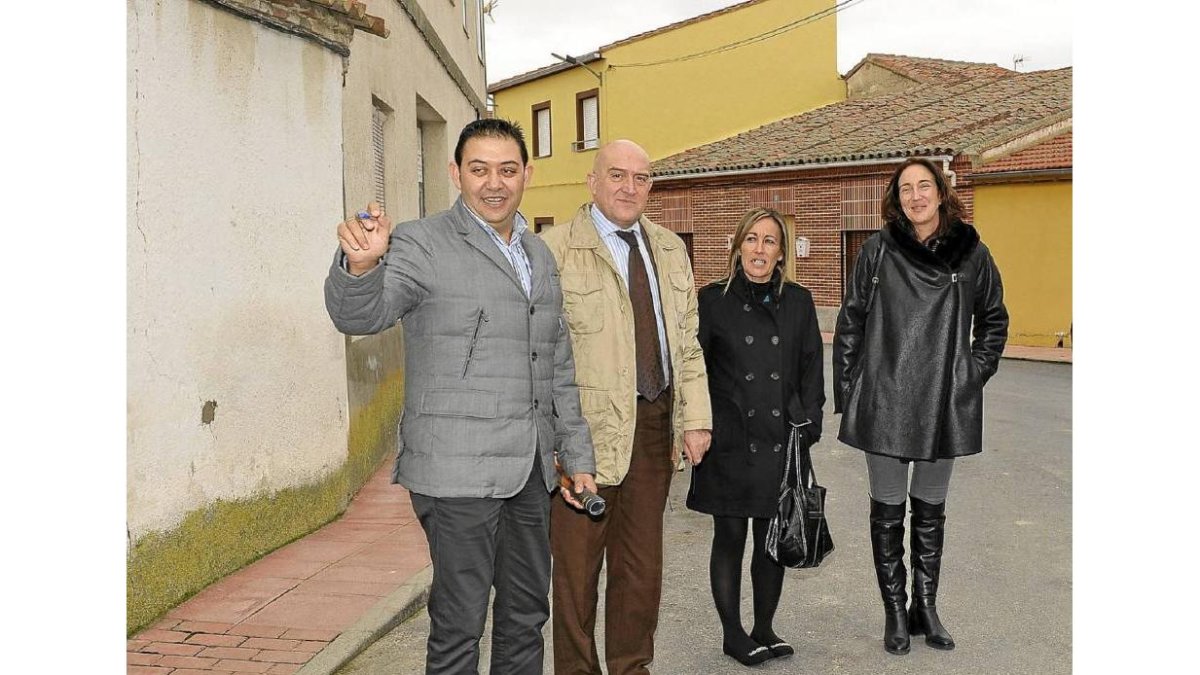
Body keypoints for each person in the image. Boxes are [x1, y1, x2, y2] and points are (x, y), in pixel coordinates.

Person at [324, 118, 598, 675]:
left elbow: (557, 365)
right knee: (458, 624)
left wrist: (577, 456)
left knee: (526, 616)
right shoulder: (421, 243)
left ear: (527, 175)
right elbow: (360, 314)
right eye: (479, 170)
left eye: (507, 169)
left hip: (528, 472)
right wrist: (361, 265)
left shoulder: (539, 256)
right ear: (455, 174)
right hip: (455, 476)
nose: (493, 183)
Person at [540, 139, 712, 675]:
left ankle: (632, 667)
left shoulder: (668, 249)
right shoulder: (554, 249)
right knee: (576, 573)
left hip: (653, 425)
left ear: (650, 187)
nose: (628, 187)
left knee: (641, 571)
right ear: (592, 182)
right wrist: (554, 444)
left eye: (640, 178)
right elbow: (538, 353)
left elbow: (686, 342)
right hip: (581, 435)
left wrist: (697, 418)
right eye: (616, 175)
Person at [833, 157, 1008, 656]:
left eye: (924, 186)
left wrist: (970, 376)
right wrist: (852, 394)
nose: (915, 196)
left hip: (943, 403)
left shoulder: (972, 253)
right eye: (905, 188)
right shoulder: (878, 250)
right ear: (896, 198)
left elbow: (994, 320)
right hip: (884, 399)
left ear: (941, 192)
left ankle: (925, 608)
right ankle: (894, 610)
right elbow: (852, 321)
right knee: (888, 511)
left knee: (930, 512)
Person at [686, 208, 825, 667]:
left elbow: (810, 370)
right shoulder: (711, 300)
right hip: (729, 440)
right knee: (729, 538)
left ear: (782, 252)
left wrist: (806, 426)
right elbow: (695, 371)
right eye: (751, 239)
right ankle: (732, 633)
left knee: (773, 540)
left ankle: (764, 626)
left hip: (780, 440)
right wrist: (695, 425)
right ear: (738, 246)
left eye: (769, 241)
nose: (758, 249)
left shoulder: (800, 302)